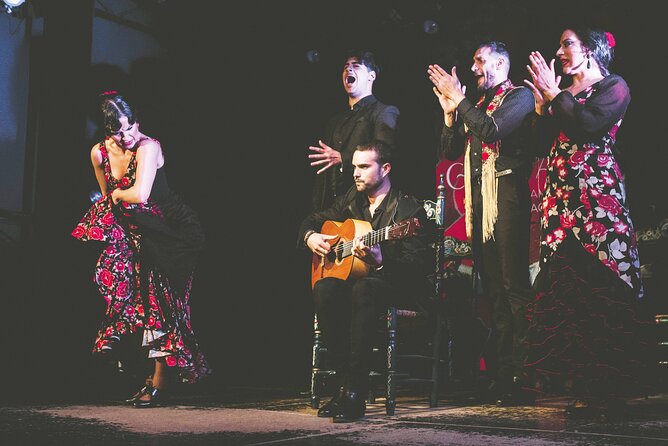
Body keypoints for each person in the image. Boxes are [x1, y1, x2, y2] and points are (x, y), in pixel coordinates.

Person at [523, 28, 653, 419]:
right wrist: (539, 106)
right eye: (559, 44)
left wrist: (554, 95)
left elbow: (588, 125)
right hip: (561, 204)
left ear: (591, 50)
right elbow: (540, 143)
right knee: (569, 292)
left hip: (597, 201)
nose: (559, 51)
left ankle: (609, 391)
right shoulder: (560, 95)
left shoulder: (613, 86)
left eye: (567, 44)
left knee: (601, 288)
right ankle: (582, 390)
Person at [72, 92, 211, 408]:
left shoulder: (149, 147)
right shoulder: (98, 153)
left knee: (163, 303)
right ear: (107, 132)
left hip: (171, 231)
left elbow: (138, 194)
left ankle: (159, 383)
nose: (128, 136)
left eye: (131, 126)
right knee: (126, 296)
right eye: (119, 132)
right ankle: (138, 371)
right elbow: (108, 197)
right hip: (136, 232)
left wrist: (117, 199)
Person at [427, 41, 535, 406]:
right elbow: (451, 152)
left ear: (501, 62)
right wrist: (448, 113)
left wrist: (460, 103)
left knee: (512, 287)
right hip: (481, 205)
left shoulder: (519, 97)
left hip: (506, 199)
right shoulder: (478, 105)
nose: (473, 68)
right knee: (494, 292)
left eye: (480, 60)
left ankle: (526, 372)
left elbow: (490, 131)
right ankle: (505, 374)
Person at [298, 140, 429, 422]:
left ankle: (354, 392)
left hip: (395, 287)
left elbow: (417, 268)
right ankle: (344, 386)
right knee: (324, 288)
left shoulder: (407, 212)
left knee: (365, 288)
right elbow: (312, 219)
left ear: (386, 168)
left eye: (364, 166)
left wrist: (380, 261)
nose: (356, 173)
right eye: (354, 166)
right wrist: (311, 237)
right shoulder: (350, 200)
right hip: (359, 289)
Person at [308, 50, 400, 212]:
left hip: (362, 205)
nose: (348, 70)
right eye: (346, 67)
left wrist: (343, 158)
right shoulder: (335, 121)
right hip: (332, 207)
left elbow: (385, 152)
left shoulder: (383, 112)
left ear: (371, 76)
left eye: (356, 66)